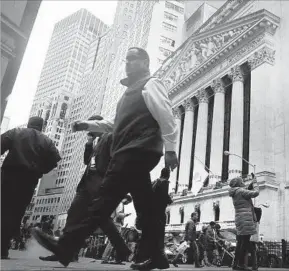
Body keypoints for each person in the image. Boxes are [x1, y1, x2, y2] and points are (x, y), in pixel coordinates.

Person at [31, 47, 178, 270]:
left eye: (133, 59)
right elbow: (113, 124)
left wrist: (171, 149)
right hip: (132, 152)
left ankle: (67, 245)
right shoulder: (127, 95)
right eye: (126, 59)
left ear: (145, 62)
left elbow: (166, 114)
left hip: (136, 150)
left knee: (103, 201)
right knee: (147, 207)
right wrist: (86, 125)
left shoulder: (151, 83)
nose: (127, 63)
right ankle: (156, 255)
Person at [36, 115, 131, 264]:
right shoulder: (98, 142)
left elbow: (118, 162)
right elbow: (88, 161)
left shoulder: (110, 137)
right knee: (74, 214)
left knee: (102, 219)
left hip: (99, 185)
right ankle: (66, 252)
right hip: (86, 185)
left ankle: (120, 249)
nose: (90, 132)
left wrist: (121, 189)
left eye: (91, 129)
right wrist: (89, 143)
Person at [1, 116, 61, 259]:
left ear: (29, 123)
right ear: (42, 126)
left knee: (3, 208)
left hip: (9, 175)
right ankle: (3, 247)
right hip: (29, 180)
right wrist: (40, 170)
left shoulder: (16, 132)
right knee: (17, 212)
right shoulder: (47, 141)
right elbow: (54, 159)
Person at [229, 173, 259, 271]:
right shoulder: (241, 191)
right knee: (245, 243)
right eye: (242, 181)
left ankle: (235, 264)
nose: (243, 182)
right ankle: (241, 265)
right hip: (245, 219)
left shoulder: (236, 192)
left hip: (240, 219)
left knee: (240, 243)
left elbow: (246, 190)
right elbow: (255, 193)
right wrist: (255, 183)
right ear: (239, 183)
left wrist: (251, 183)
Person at [101, 195, 132, 264]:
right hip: (117, 223)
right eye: (127, 202)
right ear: (126, 199)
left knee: (113, 241)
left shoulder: (118, 203)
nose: (127, 204)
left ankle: (106, 257)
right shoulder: (120, 204)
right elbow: (118, 215)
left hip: (115, 223)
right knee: (114, 241)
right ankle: (106, 257)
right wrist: (126, 214)